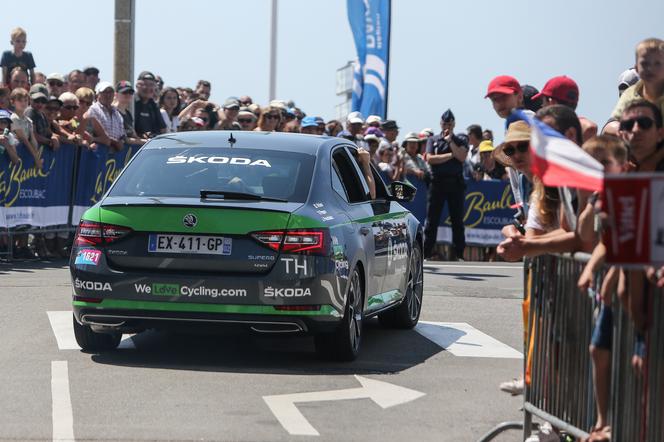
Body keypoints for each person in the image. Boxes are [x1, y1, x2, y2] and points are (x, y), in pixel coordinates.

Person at [423, 109, 469, 261]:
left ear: (454, 124)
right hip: (437, 183)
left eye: (449, 124)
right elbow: (430, 159)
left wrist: (450, 142)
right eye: (444, 123)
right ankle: (426, 252)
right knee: (432, 220)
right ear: (440, 123)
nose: (446, 126)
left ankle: (459, 253)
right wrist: (450, 155)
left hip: (455, 184)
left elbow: (461, 157)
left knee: (457, 220)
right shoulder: (433, 140)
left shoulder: (460, 139)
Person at [606, 38, 664, 134]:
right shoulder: (629, 95)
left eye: (657, 64)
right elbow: (611, 124)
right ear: (637, 68)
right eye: (645, 64)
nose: (650, 69)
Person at [88, 82, 125, 151]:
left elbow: (121, 137)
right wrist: (115, 142)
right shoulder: (93, 110)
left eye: (111, 92)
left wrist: (119, 143)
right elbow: (94, 134)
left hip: (114, 155)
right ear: (97, 95)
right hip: (97, 153)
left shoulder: (117, 113)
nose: (108, 95)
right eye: (104, 92)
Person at [25, 84, 59, 151]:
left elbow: (49, 132)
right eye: (36, 100)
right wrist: (49, 141)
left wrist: (54, 137)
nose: (40, 104)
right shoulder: (30, 112)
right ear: (30, 99)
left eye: (43, 101)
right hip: (29, 153)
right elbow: (33, 135)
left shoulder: (42, 113)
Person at [113, 81, 146, 146]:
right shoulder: (113, 111)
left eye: (130, 92)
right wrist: (145, 142)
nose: (128, 95)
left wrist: (145, 139)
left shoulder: (128, 113)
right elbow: (124, 139)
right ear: (116, 94)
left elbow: (134, 136)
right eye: (124, 92)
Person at [134, 71, 166, 138]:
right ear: (137, 86)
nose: (148, 88)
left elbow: (162, 129)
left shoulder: (153, 105)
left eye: (151, 85)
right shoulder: (131, 103)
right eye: (144, 84)